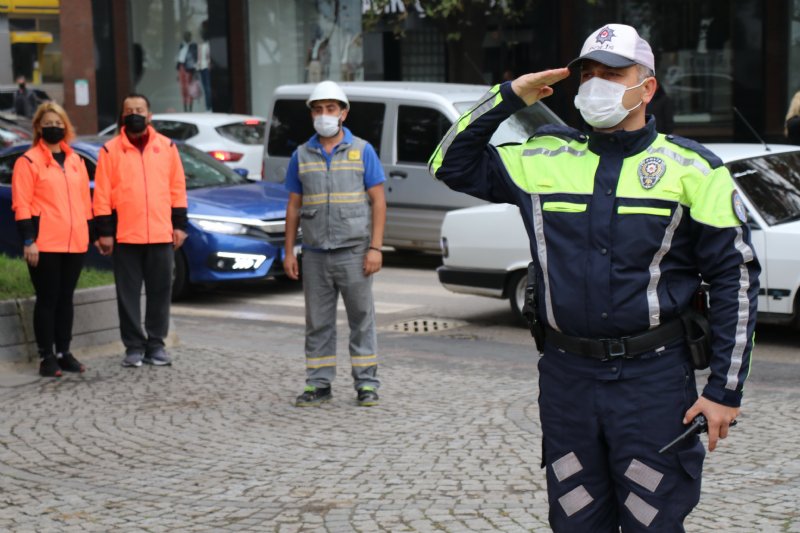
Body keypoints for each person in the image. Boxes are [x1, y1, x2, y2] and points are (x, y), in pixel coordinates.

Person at [429, 24, 759, 531]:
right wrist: (510, 96)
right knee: (576, 517)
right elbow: (448, 162)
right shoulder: (542, 157)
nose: (595, 84)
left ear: (646, 87)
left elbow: (734, 278)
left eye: (612, 73)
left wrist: (724, 391)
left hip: (654, 381)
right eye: (588, 74)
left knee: (654, 517)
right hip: (567, 380)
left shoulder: (694, 167)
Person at [283, 80, 386, 408]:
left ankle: (366, 384)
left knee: (361, 320)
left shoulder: (362, 150)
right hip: (314, 253)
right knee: (318, 322)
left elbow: (379, 201)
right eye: (318, 109)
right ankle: (318, 384)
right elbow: (293, 206)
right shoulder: (301, 154)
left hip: (354, 252)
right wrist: (288, 251)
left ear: (344, 113)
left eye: (330, 109)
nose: (323, 115)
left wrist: (376, 248)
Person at [93, 94, 188, 368]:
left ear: (149, 115)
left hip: (160, 233)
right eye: (129, 110)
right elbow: (102, 195)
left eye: (140, 109)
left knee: (160, 292)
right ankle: (133, 346)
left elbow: (177, 189)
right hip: (125, 236)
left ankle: (156, 345)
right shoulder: (110, 151)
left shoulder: (167, 147)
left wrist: (179, 225)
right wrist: (105, 232)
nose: (135, 114)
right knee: (128, 295)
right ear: (123, 116)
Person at [11, 102, 92, 377]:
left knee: (65, 299)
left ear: (66, 127)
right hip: (44, 243)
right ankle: (46, 356)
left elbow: (84, 202)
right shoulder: (28, 161)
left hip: (74, 241)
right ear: (37, 127)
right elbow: (21, 204)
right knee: (47, 299)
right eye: (48, 123)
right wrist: (28, 239)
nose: (54, 128)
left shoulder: (76, 161)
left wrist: (89, 233)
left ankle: (63, 352)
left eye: (59, 124)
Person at [176, 31, 198, 111]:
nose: (186, 37)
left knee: (189, 88)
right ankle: (185, 108)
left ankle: (190, 108)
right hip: (181, 67)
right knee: (183, 88)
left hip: (189, 68)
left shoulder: (193, 45)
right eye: (185, 36)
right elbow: (180, 56)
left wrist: (195, 70)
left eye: (187, 36)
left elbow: (195, 57)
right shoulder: (182, 45)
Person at [198, 21, 212, 111]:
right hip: (202, 67)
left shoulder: (209, 44)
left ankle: (209, 107)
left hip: (207, 67)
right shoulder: (202, 44)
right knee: (205, 87)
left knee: (208, 88)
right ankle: (208, 106)